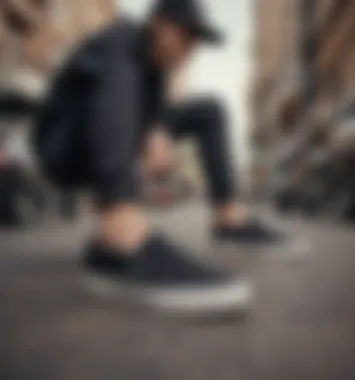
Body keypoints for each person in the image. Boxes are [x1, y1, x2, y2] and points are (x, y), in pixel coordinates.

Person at [34, 0, 291, 316]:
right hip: (62, 145)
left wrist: (155, 129)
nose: (190, 49)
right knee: (124, 54)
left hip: (112, 131)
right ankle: (120, 232)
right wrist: (124, 174)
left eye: (195, 42)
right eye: (185, 36)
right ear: (158, 23)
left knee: (210, 110)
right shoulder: (123, 40)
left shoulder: (156, 75)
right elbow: (114, 96)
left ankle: (229, 219)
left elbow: (149, 118)